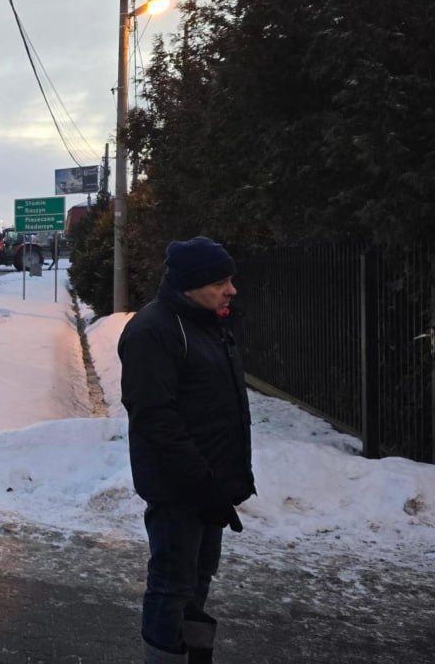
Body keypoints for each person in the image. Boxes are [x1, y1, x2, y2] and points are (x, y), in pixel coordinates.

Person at [117, 237, 255, 664]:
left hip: (209, 485)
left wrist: (224, 483)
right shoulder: (153, 330)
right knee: (172, 584)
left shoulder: (206, 322)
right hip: (179, 488)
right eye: (220, 281)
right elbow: (155, 419)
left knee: (197, 581)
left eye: (230, 279)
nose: (231, 289)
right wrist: (202, 484)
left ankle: (195, 655)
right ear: (190, 285)